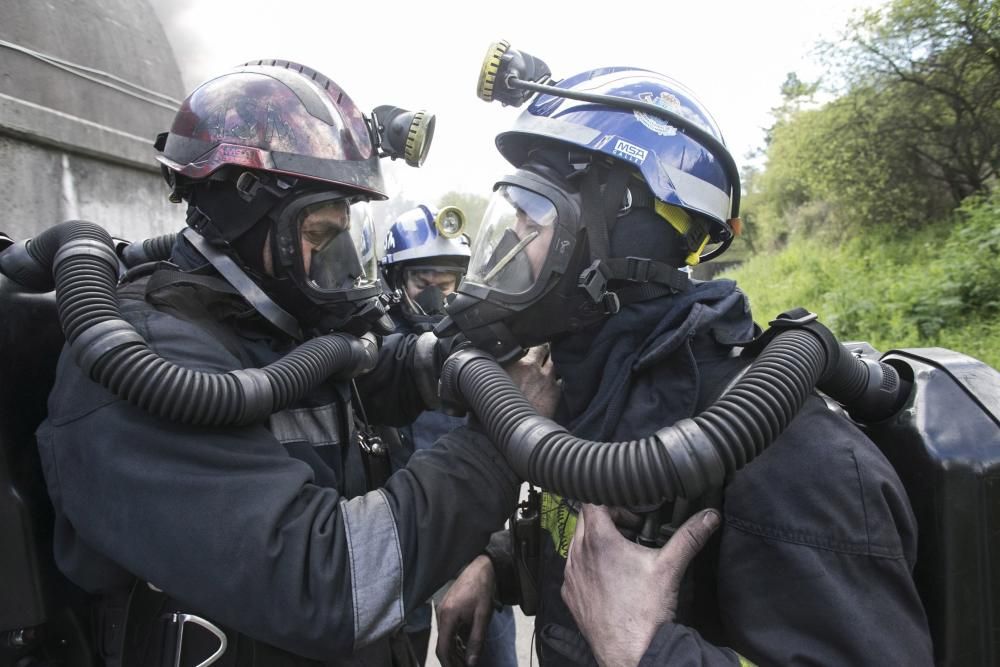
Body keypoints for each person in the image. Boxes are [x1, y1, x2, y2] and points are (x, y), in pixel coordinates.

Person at [436, 58, 934, 665]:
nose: (512, 245)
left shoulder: (790, 454)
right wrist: (499, 564)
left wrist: (646, 650)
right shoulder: (592, 397)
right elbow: (585, 552)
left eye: (532, 218)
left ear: (625, 238)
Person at [32, 60, 521, 667]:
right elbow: (331, 583)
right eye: (320, 233)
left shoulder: (275, 328)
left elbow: (364, 372)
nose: (339, 261)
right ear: (246, 217)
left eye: (349, 234)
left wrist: (456, 359)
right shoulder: (148, 369)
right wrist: (500, 441)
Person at [380, 206, 519, 667]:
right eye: (424, 281)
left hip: (473, 536)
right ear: (395, 281)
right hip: (401, 532)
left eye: (448, 282)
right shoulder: (374, 355)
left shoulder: (480, 349)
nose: (438, 296)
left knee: (484, 643)